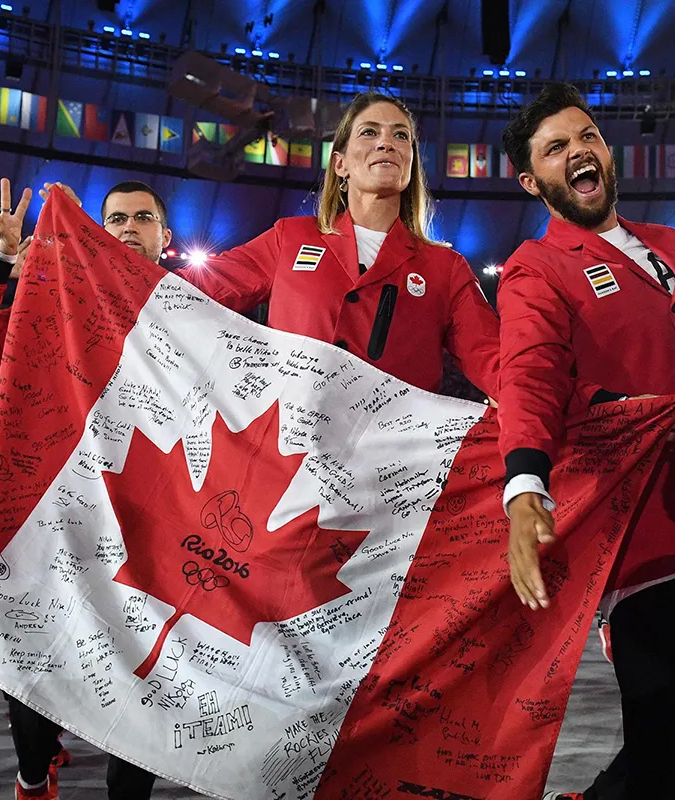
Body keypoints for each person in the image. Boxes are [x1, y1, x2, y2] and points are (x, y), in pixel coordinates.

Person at [0, 179, 169, 800]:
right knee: (34, 658)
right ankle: (32, 776)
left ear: (164, 237)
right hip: (48, 517)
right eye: (115, 217)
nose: (128, 226)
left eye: (142, 218)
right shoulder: (49, 298)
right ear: (96, 228)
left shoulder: (192, 315)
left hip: (143, 532)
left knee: (143, 683)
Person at [497, 82, 675, 800]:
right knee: (663, 753)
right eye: (556, 147)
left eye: (587, 136)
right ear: (532, 179)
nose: (579, 151)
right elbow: (531, 378)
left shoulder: (667, 243)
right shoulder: (539, 269)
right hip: (651, 543)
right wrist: (524, 486)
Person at [183, 91, 500, 396]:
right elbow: (190, 291)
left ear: (411, 163)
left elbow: (496, 362)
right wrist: (133, 272)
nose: (386, 143)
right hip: (288, 448)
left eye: (401, 136)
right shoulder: (289, 238)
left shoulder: (446, 269)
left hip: (393, 451)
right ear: (340, 164)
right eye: (369, 132)